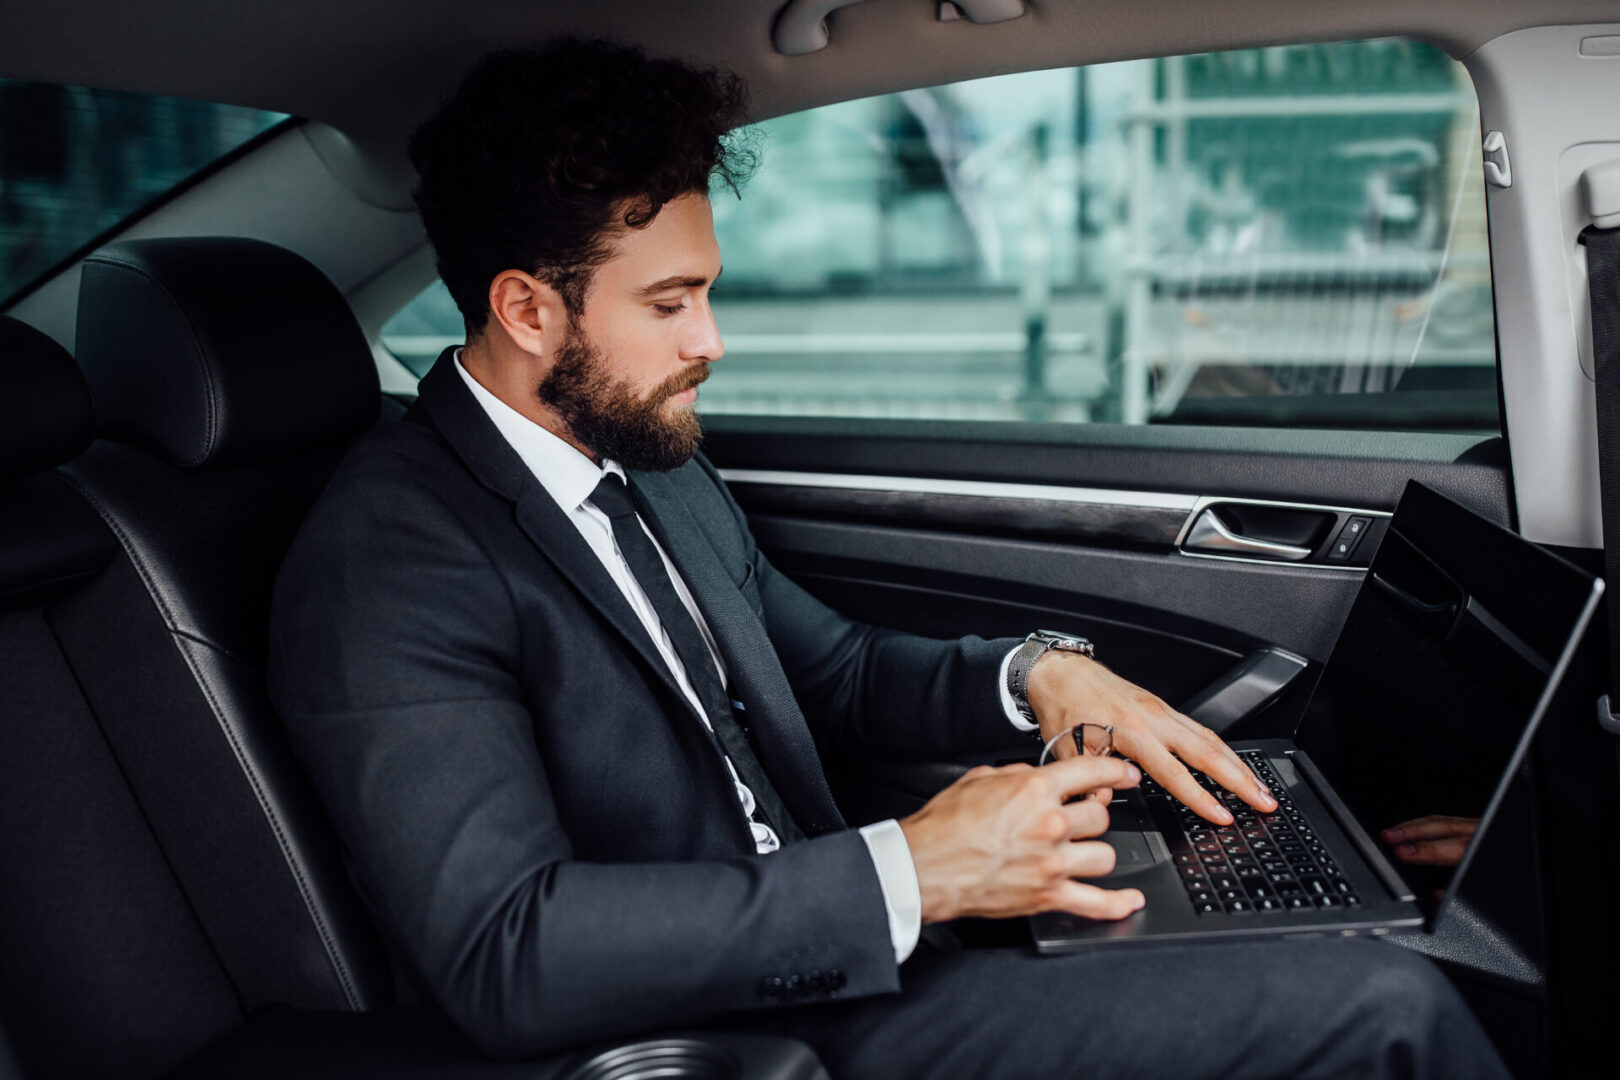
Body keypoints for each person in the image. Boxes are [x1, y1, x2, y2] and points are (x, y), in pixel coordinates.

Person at [268, 39, 1510, 1079]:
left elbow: (839, 669)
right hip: (748, 1030)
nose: (711, 339)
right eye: (668, 303)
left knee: (1342, 918)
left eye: (708, 291)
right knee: (1392, 1013)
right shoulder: (388, 560)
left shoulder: (646, 462)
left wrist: (1040, 678)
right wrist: (912, 871)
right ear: (529, 309)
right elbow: (506, 952)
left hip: (873, 936)